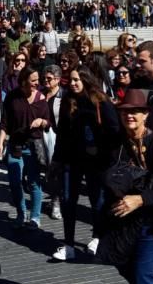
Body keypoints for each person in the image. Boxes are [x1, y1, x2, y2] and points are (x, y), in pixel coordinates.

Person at [98, 90, 153, 284]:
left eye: (136, 111)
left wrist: (139, 200)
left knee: (144, 276)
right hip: (120, 223)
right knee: (127, 270)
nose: (129, 115)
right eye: (125, 112)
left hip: (151, 223)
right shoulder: (116, 142)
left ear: (145, 114)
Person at [52, 66, 120, 261]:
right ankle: (69, 244)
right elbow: (62, 134)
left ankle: (97, 237)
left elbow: (114, 131)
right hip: (71, 160)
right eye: (70, 80)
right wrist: (57, 159)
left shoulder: (101, 102)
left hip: (96, 161)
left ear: (86, 80)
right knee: (67, 200)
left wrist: (106, 156)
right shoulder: (68, 101)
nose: (72, 83)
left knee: (97, 201)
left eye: (76, 80)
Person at [0, 67, 51, 229]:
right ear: (23, 81)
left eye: (37, 80)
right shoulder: (13, 97)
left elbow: (49, 123)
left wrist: (41, 122)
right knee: (14, 182)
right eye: (33, 80)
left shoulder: (41, 98)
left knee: (34, 182)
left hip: (34, 145)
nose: (37, 83)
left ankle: (35, 217)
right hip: (15, 145)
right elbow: (5, 122)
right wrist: (0, 142)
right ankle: (21, 214)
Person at [43, 64, 65, 220]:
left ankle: (56, 201)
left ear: (57, 80)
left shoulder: (63, 95)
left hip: (58, 136)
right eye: (44, 78)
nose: (46, 81)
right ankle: (53, 198)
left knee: (56, 170)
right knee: (47, 171)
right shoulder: (41, 94)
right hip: (43, 136)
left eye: (49, 78)